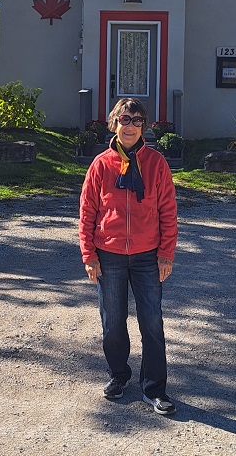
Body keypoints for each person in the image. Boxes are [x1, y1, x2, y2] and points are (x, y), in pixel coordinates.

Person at [78, 98, 178, 415]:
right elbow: (87, 213)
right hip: (109, 257)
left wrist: (166, 253)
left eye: (137, 120)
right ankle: (119, 376)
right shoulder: (100, 165)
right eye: (125, 119)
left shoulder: (156, 164)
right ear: (114, 123)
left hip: (148, 256)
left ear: (143, 126)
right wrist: (89, 255)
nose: (130, 126)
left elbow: (168, 211)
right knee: (113, 324)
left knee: (152, 323)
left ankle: (154, 388)